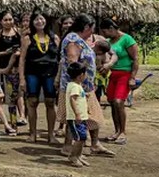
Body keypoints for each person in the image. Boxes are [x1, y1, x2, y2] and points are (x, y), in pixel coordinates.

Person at [58, 14, 115, 159]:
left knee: (93, 116)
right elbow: (73, 61)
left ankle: (94, 144)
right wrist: (79, 85)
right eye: (92, 29)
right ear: (86, 27)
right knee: (74, 116)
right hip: (77, 87)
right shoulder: (72, 40)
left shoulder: (80, 40)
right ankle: (68, 147)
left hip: (86, 86)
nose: (92, 32)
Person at [19, 12, 59, 143]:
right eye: (36, 19)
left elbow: (60, 59)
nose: (39, 21)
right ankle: (32, 134)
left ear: (46, 21)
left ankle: (51, 135)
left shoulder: (55, 38)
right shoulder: (27, 39)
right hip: (32, 73)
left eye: (41, 19)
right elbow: (22, 59)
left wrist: (58, 77)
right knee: (32, 102)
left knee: (50, 103)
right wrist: (21, 79)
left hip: (50, 74)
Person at [99, 19, 139, 145]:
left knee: (118, 101)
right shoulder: (109, 42)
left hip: (125, 74)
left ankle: (123, 132)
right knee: (112, 102)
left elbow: (136, 59)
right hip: (112, 75)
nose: (104, 34)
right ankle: (116, 131)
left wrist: (132, 77)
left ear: (111, 28)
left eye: (105, 31)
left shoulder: (127, 39)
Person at [0, 11, 25, 126]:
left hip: (20, 68)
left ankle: (22, 117)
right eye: (5, 20)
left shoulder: (18, 32)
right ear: (1, 21)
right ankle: (13, 124)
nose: (8, 22)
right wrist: (5, 53)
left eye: (10, 19)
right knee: (11, 98)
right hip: (7, 70)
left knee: (20, 94)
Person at [64, 62, 91, 168]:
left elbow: (79, 99)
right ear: (81, 75)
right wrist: (77, 114)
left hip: (80, 117)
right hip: (76, 118)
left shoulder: (77, 86)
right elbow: (73, 100)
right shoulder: (75, 87)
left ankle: (78, 155)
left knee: (82, 137)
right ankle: (73, 156)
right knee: (79, 138)